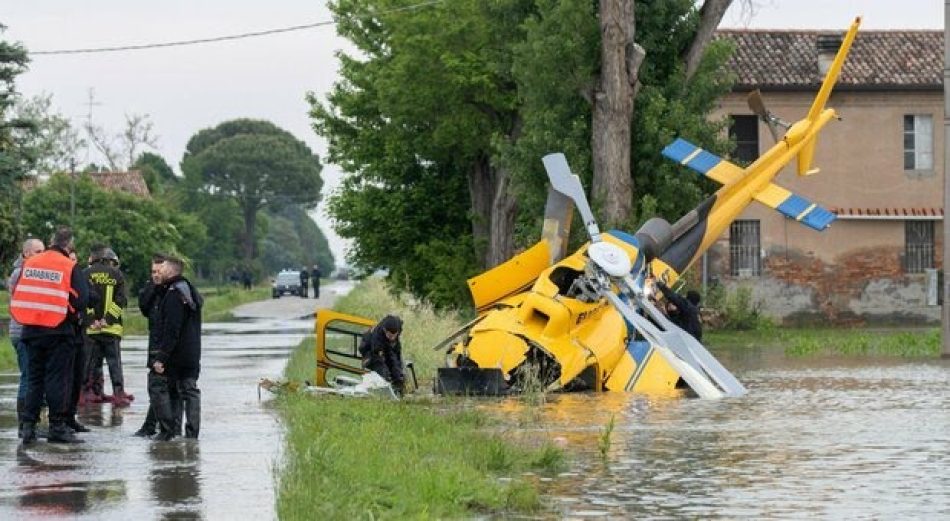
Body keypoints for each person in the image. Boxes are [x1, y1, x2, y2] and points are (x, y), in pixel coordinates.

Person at [12, 227, 89, 444]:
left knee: (34, 380)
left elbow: (20, 291)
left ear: (51, 242)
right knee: (57, 380)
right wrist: (71, 314)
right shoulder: (68, 266)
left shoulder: (31, 263)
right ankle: (57, 427)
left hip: (31, 329)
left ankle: (28, 427)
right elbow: (81, 300)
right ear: (68, 245)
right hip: (58, 330)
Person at [150, 255, 203, 440]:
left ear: (171, 270)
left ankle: (174, 432)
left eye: (162, 268)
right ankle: (189, 433)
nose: (159, 271)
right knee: (189, 390)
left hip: (178, 353)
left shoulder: (174, 293)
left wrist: (162, 357)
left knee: (179, 391)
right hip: (192, 351)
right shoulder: (188, 289)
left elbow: (172, 329)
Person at [83, 245, 132, 407]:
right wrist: (107, 320)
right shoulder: (117, 274)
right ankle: (119, 393)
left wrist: (92, 320)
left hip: (91, 330)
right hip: (111, 329)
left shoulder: (85, 274)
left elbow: (83, 301)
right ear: (108, 260)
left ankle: (88, 394)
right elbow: (121, 301)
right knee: (114, 363)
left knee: (91, 363)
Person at [7, 238, 45, 438]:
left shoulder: (22, 272)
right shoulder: (22, 273)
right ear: (26, 254)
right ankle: (25, 423)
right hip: (23, 332)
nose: (42, 255)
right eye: (38, 252)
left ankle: (29, 421)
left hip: (22, 331)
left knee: (30, 376)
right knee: (28, 377)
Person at [135, 254, 168, 438]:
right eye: (153, 271)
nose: (156, 275)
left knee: (159, 387)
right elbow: (144, 307)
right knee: (157, 387)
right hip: (154, 342)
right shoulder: (152, 288)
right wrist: (153, 287)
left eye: (159, 271)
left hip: (167, 346)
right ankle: (154, 426)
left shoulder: (173, 290)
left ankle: (154, 427)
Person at [358, 315, 405, 394]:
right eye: (390, 335)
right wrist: (386, 375)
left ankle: (399, 387)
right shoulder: (377, 336)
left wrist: (398, 375)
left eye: (394, 335)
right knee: (382, 370)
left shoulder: (398, 326)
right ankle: (385, 387)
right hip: (370, 353)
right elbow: (379, 358)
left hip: (386, 348)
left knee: (397, 369)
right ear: (384, 330)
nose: (392, 338)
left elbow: (395, 355)